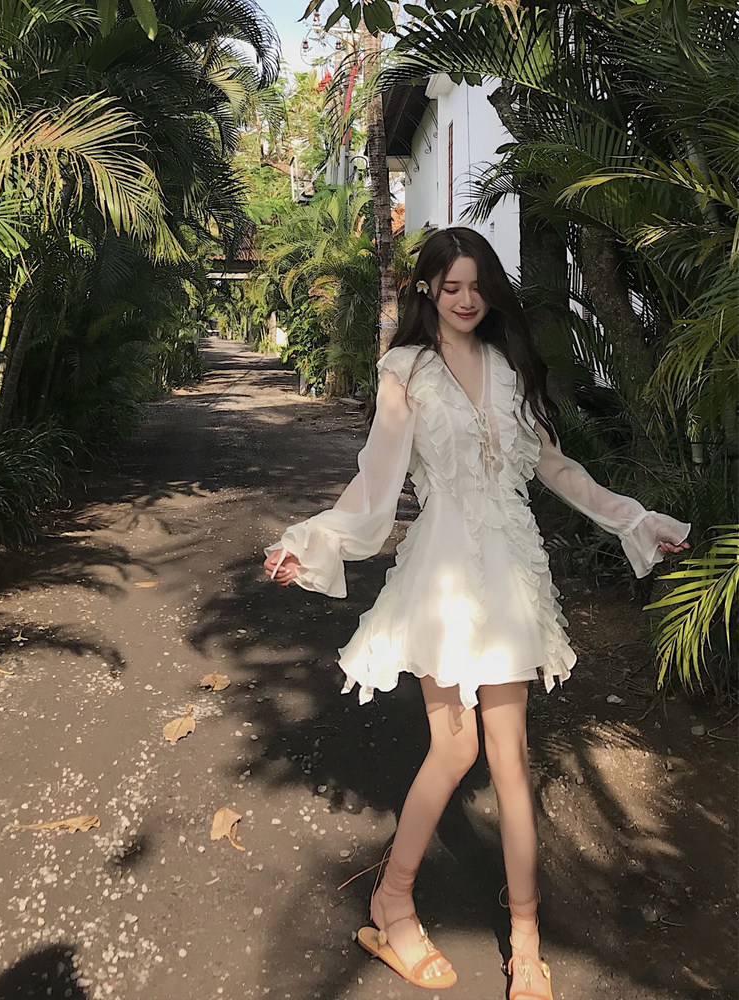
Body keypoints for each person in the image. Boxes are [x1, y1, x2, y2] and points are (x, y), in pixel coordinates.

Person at [263, 227, 690, 999]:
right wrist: (314, 540)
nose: (465, 299)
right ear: (428, 290)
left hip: (510, 574)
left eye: (476, 286)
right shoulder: (405, 369)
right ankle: (392, 900)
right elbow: (376, 481)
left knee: (509, 759)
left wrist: (633, 518)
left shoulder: (508, 365)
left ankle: (526, 942)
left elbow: (554, 465)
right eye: (450, 286)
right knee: (454, 749)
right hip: (444, 573)